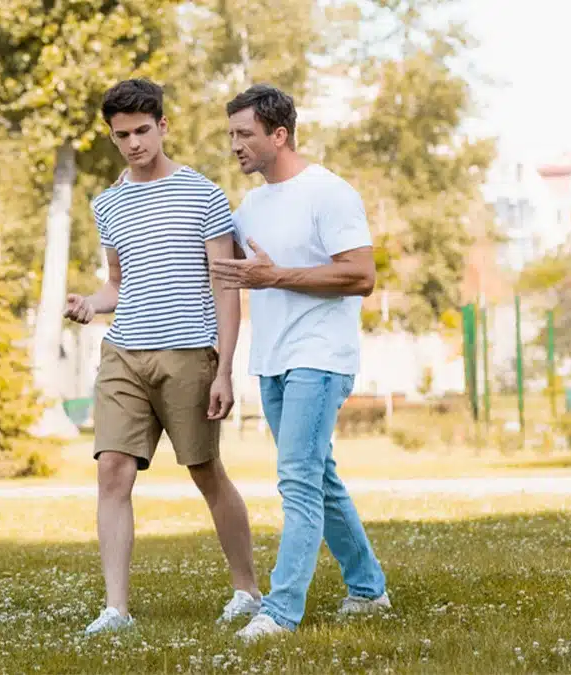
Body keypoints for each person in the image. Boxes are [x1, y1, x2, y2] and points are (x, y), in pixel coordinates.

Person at [63, 78, 261, 635]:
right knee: (112, 473)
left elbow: (227, 287)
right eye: (121, 135)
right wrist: (89, 303)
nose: (133, 144)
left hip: (188, 354)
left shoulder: (204, 195)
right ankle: (116, 610)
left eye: (142, 131)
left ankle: (246, 589)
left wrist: (224, 366)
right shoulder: (107, 204)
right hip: (125, 352)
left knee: (205, 471)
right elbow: (117, 285)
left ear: (163, 126)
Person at [210, 84, 392, 642]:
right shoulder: (250, 206)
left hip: (320, 356)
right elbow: (226, 271)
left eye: (245, 134)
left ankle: (282, 611)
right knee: (320, 478)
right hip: (272, 360)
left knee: (297, 482)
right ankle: (368, 589)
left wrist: (278, 276)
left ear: (279, 134)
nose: (235, 145)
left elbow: (361, 276)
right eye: (232, 134)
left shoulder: (328, 193)